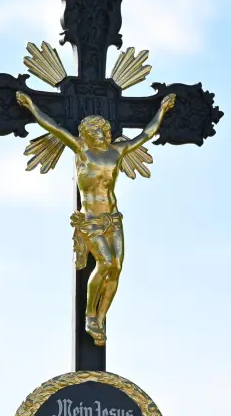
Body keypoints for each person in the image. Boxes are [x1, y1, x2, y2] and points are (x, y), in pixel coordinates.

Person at [16, 91, 177, 346]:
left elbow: (146, 134)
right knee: (105, 263)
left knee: (116, 268)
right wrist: (31, 106)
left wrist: (163, 110)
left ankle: (101, 318)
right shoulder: (81, 150)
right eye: (96, 132)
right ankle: (90, 314)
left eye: (103, 131)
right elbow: (53, 126)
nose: (101, 135)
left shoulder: (117, 152)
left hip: (113, 218)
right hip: (91, 219)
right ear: (87, 134)